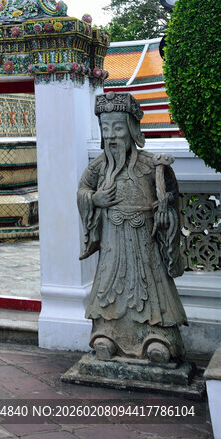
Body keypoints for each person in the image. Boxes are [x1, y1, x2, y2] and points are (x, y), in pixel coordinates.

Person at [77, 92, 187, 364]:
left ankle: (158, 338)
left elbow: (171, 196)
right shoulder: (99, 167)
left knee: (151, 288)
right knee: (109, 288)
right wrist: (95, 199)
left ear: (132, 129)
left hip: (144, 242)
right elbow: (83, 190)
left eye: (117, 128)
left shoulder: (151, 165)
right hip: (113, 244)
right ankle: (107, 336)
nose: (111, 136)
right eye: (105, 129)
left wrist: (165, 209)